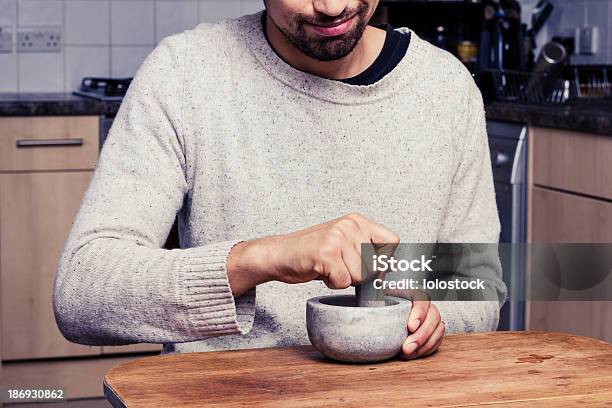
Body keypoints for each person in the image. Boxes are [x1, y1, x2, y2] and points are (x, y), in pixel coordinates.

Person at [54, 0, 506, 360]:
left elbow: (476, 281)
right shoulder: (184, 73)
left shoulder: (445, 86)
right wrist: (263, 258)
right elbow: (81, 294)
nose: (332, 6)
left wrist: (435, 315)